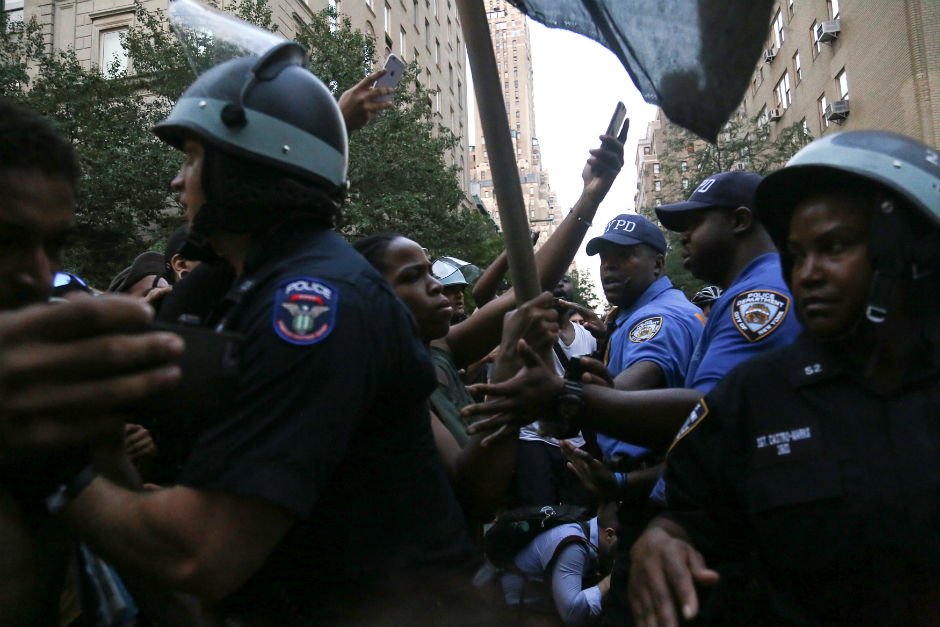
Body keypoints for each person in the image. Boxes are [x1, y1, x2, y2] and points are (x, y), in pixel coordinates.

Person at [48, 45, 485, 625]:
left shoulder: (315, 305)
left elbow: (200, 551)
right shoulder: (241, 283)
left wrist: (47, 462)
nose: (178, 182)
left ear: (242, 170)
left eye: (196, 158)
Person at [629, 130, 939, 627]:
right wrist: (663, 539)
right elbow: (691, 511)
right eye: (796, 254)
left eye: (834, 247)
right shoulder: (751, 395)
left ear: (911, 252)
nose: (807, 274)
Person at [0, 99, 184, 625]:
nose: (35, 275)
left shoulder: (57, 385)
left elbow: (152, 573)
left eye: (53, 245)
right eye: (6, 241)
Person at [501, 505, 621, 626]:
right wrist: (610, 580)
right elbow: (572, 615)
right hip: (511, 607)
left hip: (535, 602)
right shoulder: (574, 545)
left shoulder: (585, 528)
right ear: (609, 535)